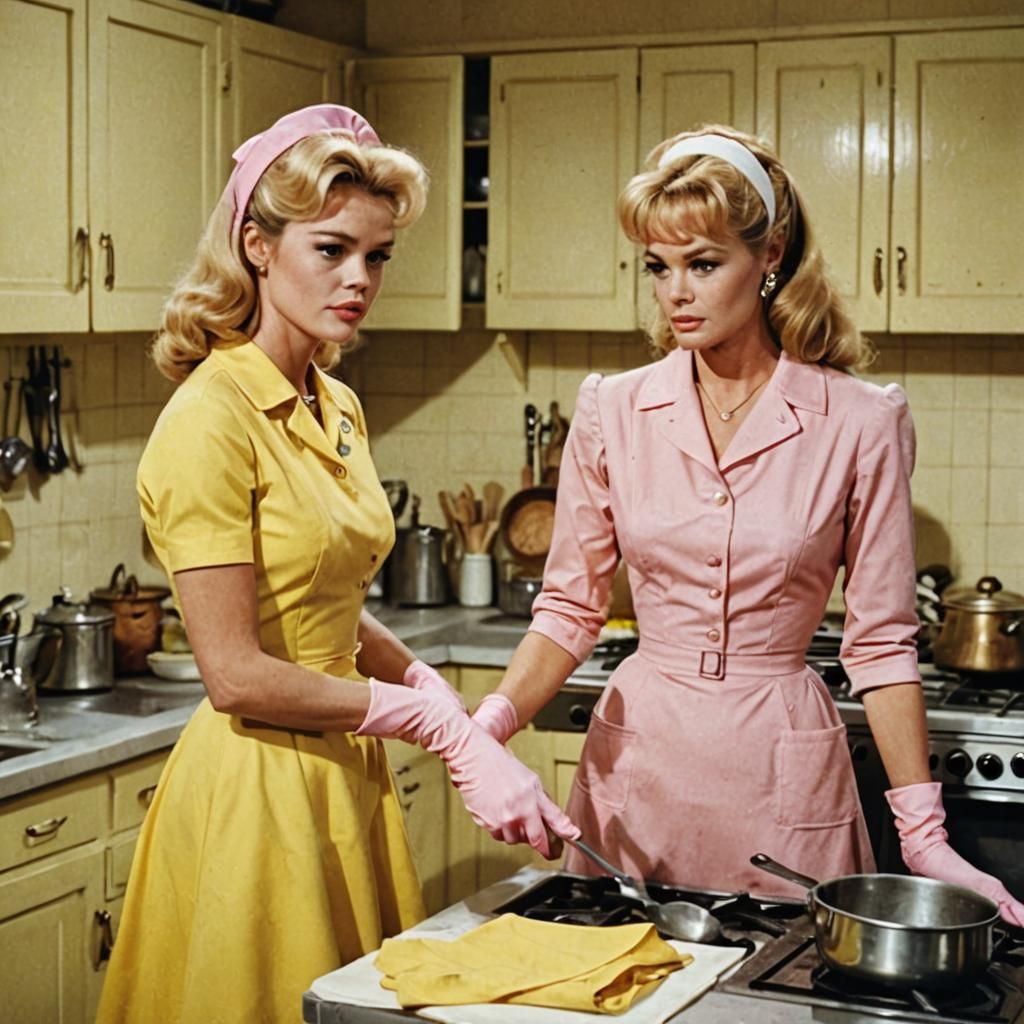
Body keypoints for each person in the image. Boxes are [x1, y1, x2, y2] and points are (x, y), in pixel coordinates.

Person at [470, 125, 1024, 925]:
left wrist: (924, 836)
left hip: (780, 774)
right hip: (639, 770)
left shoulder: (859, 422)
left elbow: (881, 644)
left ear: (770, 256)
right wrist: (490, 723)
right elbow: (568, 610)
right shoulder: (612, 410)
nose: (676, 293)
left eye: (703, 264)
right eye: (658, 267)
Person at [96, 105, 577, 1024]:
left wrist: (424, 680)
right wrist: (433, 727)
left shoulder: (336, 402)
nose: (360, 279)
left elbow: (321, 595)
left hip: (342, 768)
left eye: (379, 254)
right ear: (258, 246)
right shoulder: (210, 418)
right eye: (332, 249)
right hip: (258, 783)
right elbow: (234, 674)